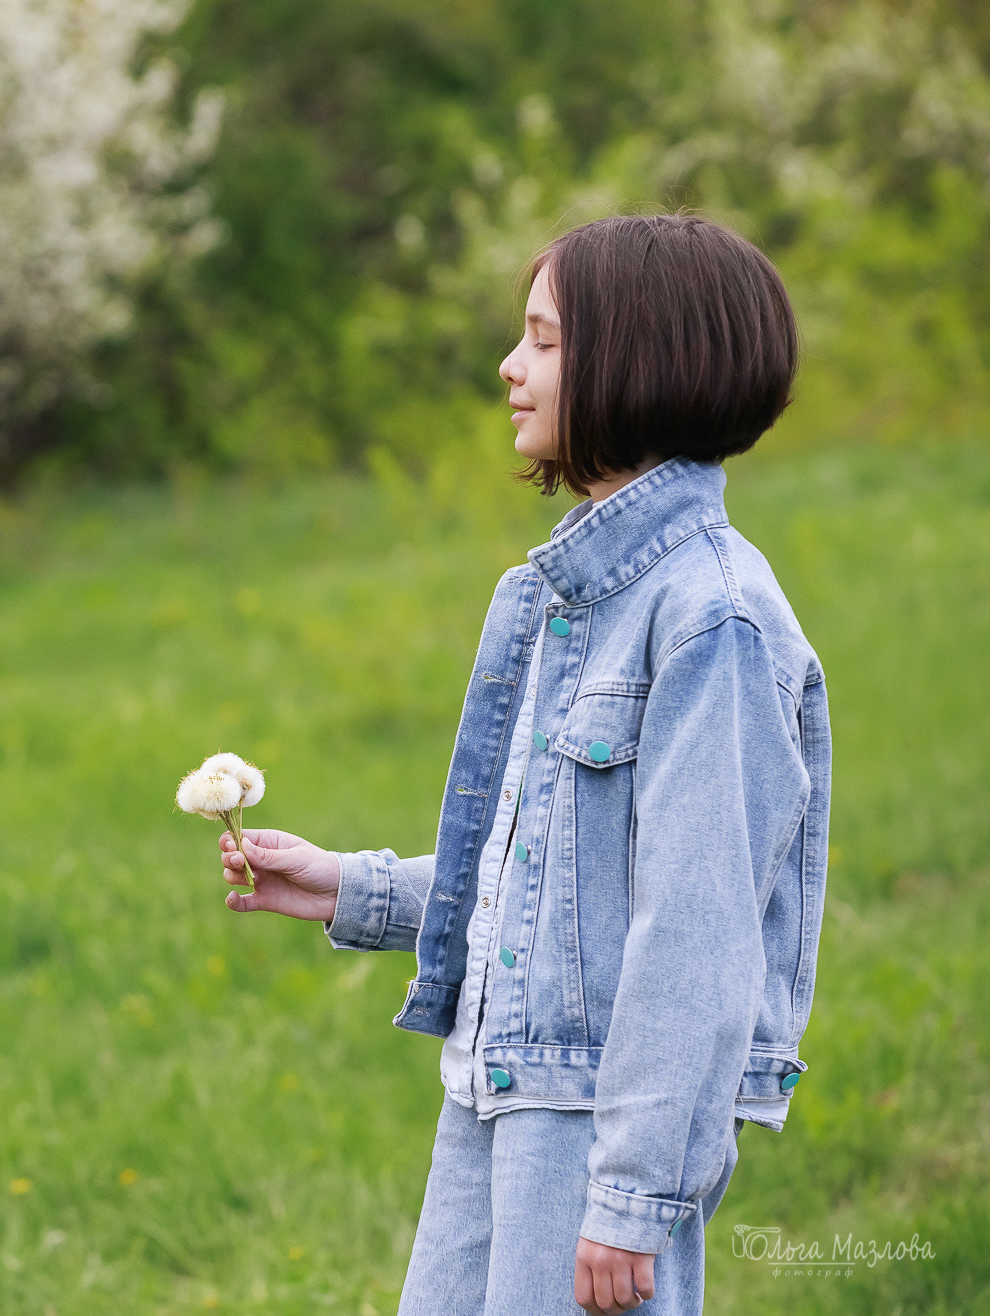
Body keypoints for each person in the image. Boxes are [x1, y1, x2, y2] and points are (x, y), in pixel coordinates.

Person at [215, 214, 829, 1316]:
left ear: (636, 363)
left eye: (541, 339)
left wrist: (635, 1193)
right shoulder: (573, 600)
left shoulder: (710, 621)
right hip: (497, 1103)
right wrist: (349, 887)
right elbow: (555, 883)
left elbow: (696, 927)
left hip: (592, 1132)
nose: (508, 365)